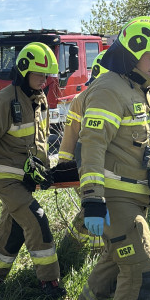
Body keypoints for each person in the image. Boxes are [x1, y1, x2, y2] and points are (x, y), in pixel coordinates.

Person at [73, 17, 150, 300]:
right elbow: (92, 146)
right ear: (132, 53)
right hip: (115, 199)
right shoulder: (108, 89)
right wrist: (93, 201)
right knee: (143, 271)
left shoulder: (138, 91)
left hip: (135, 198)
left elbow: (140, 142)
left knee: (115, 261)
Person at [0, 42, 66, 298]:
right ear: (23, 71)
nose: (43, 81)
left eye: (46, 76)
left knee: (15, 228)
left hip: (25, 178)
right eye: (39, 74)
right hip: (5, 177)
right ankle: (49, 283)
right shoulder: (4, 101)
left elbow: (39, 140)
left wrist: (43, 169)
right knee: (37, 219)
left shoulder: (38, 100)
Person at [56, 52, 108, 253]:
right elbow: (70, 134)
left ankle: (72, 245)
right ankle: (96, 253)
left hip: (105, 165)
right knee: (97, 205)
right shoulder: (82, 99)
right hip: (87, 166)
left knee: (92, 207)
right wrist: (64, 167)